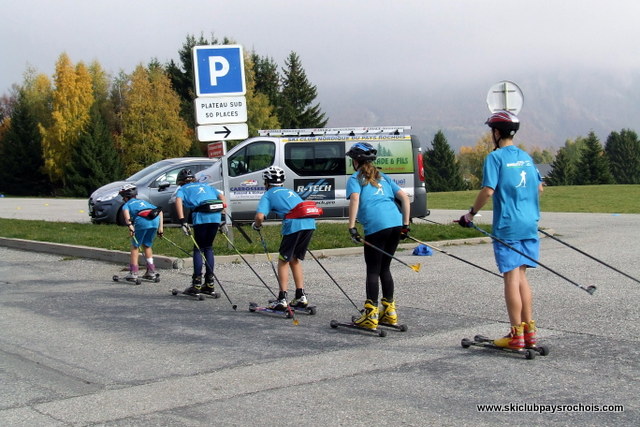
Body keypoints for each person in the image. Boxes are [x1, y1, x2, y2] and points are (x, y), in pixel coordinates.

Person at [457, 110, 543, 349]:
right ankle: (529, 332)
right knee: (522, 276)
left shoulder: (495, 158)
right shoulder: (526, 157)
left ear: (496, 133)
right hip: (530, 223)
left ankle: (516, 335)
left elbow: (488, 191)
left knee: (511, 278)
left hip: (508, 225)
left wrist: (470, 214)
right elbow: (540, 188)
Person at [346, 142, 411, 329]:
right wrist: (405, 225)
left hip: (376, 226)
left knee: (373, 270)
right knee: (385, 268)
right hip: (395, 223)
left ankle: (371, 314)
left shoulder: (355, 178)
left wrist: (351, 226)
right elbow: (405, 198)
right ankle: (390, 312)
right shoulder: (384, 177)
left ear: (356, 162)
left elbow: (355, 199)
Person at [252, 166, 316, 310]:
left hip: (294, 225)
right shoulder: (290, 191)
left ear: (267, 182)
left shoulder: (268, 194)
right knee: (294, 259)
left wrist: (256, 226)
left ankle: (282, 298)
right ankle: (301, 296)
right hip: (309, 223)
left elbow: (259, 216)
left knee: (283, 260)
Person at [175, 168, 227, 296]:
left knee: (198, 248)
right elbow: (221, 196)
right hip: (215, 216)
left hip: (201, 217)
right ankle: (209, 283)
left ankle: (196, 283)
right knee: (208, 247)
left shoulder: (182, 189)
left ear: (180, 181)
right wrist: (223, 217)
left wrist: (182, 221)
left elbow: (178, 202)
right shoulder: (205, 185)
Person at [120, 184, 163, 280]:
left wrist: (130, 226)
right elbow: (159, 211)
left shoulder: (126, 205)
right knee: (147, 245)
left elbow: (127, 218)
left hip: (141, 221)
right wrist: (161, 228)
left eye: (123, 197)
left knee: (135, 246)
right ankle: (151, 271)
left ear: (126, 197)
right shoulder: (143, 201)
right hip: (154, 221)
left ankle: (134, 272)